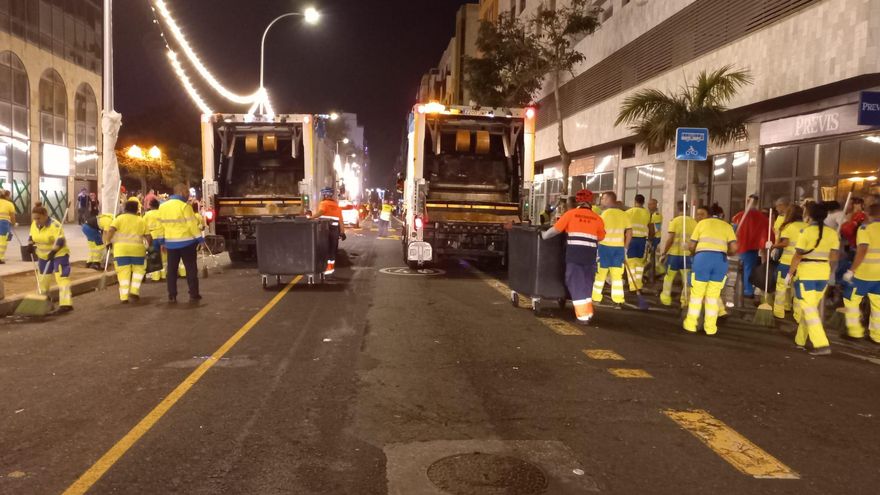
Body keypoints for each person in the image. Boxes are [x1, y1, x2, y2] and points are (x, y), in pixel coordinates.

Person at [542, 189, 605, 324]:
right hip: (590, 256)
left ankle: (582, 317)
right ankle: (587, 314)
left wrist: (543, 235)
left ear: (578, 201)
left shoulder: (571, 214)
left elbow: (555, 230)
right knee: (587, 284)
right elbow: (601, 236)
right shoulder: (598, 218)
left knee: (576, 283)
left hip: (575, 255)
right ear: (591, 202)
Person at [785, 202, 839, 355]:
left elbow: (798, 255)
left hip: (806, 273)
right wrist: (831, 274)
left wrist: (790, 273)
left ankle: (822, 344)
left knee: (809, 310)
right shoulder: (832, 233)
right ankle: (800, 340)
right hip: (823, 273)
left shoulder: (806, 232)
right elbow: (834, 256)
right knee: (810, 308)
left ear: (808, 215)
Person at [683, 204, 737, 335]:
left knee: (697, 295)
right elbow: (734, 248)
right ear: (722, 215)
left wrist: (693, 251)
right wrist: (727, 252)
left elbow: (691, 246)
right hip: (720, 261)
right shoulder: (727, 226)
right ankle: (710, 328)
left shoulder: (701, 224)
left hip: (702, 259)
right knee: (713, 297)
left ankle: (691, 325)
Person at [157, 183, 204, 303]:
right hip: (187, 243)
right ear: (182, 192)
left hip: (171, 244)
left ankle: (172, 295)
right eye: (187, 193)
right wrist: (200, 239)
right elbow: (192, 225)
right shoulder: (185, 206)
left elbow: (160, 226)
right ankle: (194, 293)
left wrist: (161, 241)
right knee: (191, 269)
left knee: (172, 270)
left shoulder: (162, 207)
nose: (188, 195)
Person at [842, 203, 880, 343]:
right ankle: (877, 336)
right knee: (878, 305)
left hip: (864, 273)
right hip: (879, 275)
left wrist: (851, 270)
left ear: (869, 213)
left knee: (850, 299)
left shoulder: (865, 229)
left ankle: (855, 332)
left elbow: (862, 250)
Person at [103, 199, 151, 303]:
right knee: (139, 271)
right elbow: (148, 236)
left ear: (125, 208)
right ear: (136, 209)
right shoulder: (141, 220)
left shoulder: (119, 219)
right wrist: (148, 247)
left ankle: (124, 297)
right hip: (138, 250)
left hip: (121, 250)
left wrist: (108, 242)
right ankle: (134, 291)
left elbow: (111, 230)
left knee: (123, 273)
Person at [28, 203, 72, 312]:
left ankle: (66, 304)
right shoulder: (34, 224)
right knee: (43, 280)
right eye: (34, 218)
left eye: (38, 218)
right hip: (43, 256)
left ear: (45, 215)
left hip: (59, 254)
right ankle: (46, 303)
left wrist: (53, 251)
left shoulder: (55, 225)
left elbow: (60, 240)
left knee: (61, 278)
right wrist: (29, 244)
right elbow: (31, 236)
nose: (36, 221)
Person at [592, 191, 632, 307]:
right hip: (618, 249)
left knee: (600, 275)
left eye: (603, 198)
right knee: (617, 276)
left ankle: (596, 298)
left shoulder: (603, 215)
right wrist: (625, 248)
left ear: (609, 200)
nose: (602, 201)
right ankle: (618, 300)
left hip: (604, 248)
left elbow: (597, 233)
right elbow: (629, 233)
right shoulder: (624, 215)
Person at [659, 203, 701, 307]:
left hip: (674, 255)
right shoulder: (694, 222)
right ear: (687, 208)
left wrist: (664, 252)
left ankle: (665, 299)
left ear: (677, 209)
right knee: (686, 280)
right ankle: (685, 301)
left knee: (669, 278)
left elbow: (670, 239)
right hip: (688, 255)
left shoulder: (675, 221)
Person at [732, 194, 770, 300]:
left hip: (744, 246)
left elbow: (734, 230)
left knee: (746, 268)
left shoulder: (740, 216)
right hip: (757, 247)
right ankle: (749, 289)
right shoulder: (762, 218)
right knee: (750, 268)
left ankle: (748, 290)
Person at [771, 205, 806, 319]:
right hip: (802, 263)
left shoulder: (788, 227)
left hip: (787, 262)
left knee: (782, 287)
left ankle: (779, 312)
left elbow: (785, 243)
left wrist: (773, 246)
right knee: (797, 289)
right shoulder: (807, 227)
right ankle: (798, 314)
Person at [315, 187, 345, 275]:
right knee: (332, 249)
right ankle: (330, 268)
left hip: (325, 230)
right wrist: (342, 232)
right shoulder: (336, 205)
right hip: (335, 230)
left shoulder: (323, 203)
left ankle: (323, 267)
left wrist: (311, 217)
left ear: (325, 195)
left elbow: (321, 212)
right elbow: (341, 220)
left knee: (324, 249)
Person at [625, 194, 652, 290]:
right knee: (640, 263)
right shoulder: (647, 213)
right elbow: (650, 227)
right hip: (642, 240)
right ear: (643, 202)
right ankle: (639, 284)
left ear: (635, 201)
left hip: (631, 240)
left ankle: (633, 286)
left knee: (631, 262)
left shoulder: (628, 212)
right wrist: (650, 240)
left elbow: (625, 228)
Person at [143, 198, 167, 281]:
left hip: (152, 236)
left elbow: (143, 225)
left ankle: (156, 277)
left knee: (154, 256)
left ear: (150, 206)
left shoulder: (147, 214)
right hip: (162, 236)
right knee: (163, 257)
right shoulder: (162, 213)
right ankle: (163, 275)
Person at [0, 190, 16, 264]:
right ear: (6, 196)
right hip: (3, 223)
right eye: (9, 196)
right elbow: (12, 216)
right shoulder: (9, 204)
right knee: (2, 241)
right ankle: (0, 258)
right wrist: (14, 223)